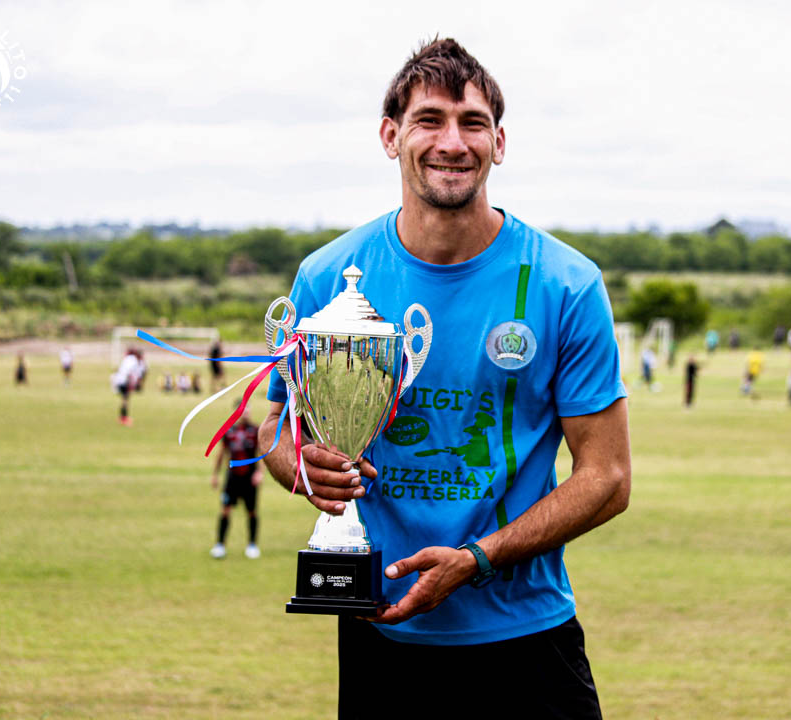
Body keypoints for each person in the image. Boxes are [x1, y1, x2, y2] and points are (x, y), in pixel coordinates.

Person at [258, 38, 630, 719]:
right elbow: (277, 431)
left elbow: (607, 478)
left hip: (527, 635)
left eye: (472, 123)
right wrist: (305, 469)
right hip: (380, 633)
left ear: (499, 143)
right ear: (390, 136)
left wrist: (477, 559)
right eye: (429, 120)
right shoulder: (327, 277)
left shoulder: (566, 284)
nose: (452, 143)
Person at [210, 404, 264, 560]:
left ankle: (252, 545)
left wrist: (259, 473)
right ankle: (220, 545)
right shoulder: (229, 431)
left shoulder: (255, 430)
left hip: (249, 477)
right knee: (225, 510)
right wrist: (215, 474)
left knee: (252, 511)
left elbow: (261, 453)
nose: (246, 414)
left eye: (248, 411)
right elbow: (222, 453)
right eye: (243, 411)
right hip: (232, 477)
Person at [111, 349, 145, 425]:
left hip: (120, 380)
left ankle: (123, 417)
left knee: (125, 400)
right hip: (123, 381)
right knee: (125, 400)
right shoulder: (134, 361)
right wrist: (131, 383)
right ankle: (123, 418)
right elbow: (129, 373)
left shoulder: (130, 359)